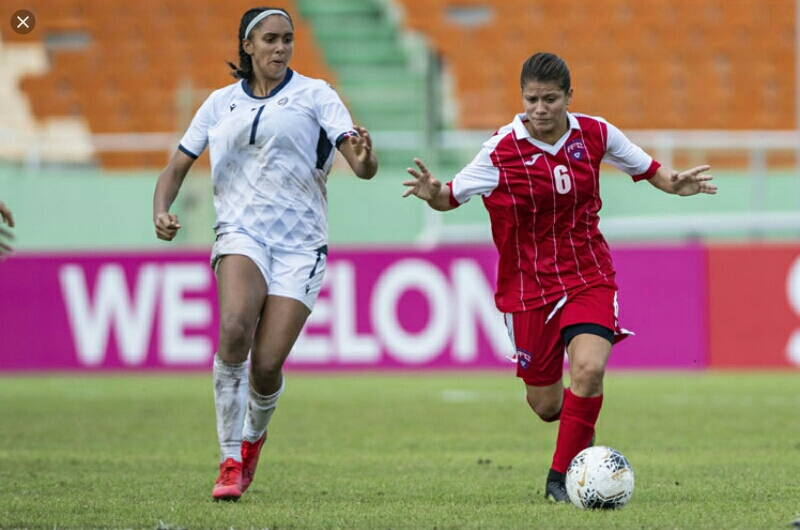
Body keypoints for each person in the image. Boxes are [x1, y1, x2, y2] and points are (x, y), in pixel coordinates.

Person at [402, 52, 716, 503]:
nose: (540, 108)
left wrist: (676, 183)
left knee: (588, 371)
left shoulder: (595, 133)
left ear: (569, 96)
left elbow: (652, 171)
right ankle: (578, 438)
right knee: (547, 406)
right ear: (522, 98)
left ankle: (558, 481)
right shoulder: (500, 150)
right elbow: (449, 196)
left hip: (588, 274)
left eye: (550, 98)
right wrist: (432, 193)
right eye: (532, 99)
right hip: (528, 288)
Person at [152, 6, 378, 502]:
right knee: (234, 327)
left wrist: (365, 159)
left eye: (287, 39)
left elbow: (357, 161)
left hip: (301, 245)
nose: (280, 48)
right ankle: (230, 457)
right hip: (241, 233)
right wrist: (161, 209)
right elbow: (176, 167)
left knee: (267, 365)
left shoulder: (316, 95)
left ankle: (253, 440)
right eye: (270, 40)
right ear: (248, 46)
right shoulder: (217, 104)